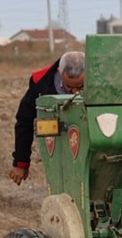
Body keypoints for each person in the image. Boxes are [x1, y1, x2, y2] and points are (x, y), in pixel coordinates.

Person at [9, 50, 85, 185]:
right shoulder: (41, 84)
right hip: (60, 147)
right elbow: (24, 121)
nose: (75, 92)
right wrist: (21, 163)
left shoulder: (104, 81)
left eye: (81, 87)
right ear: (60, 73)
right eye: (70, 87)